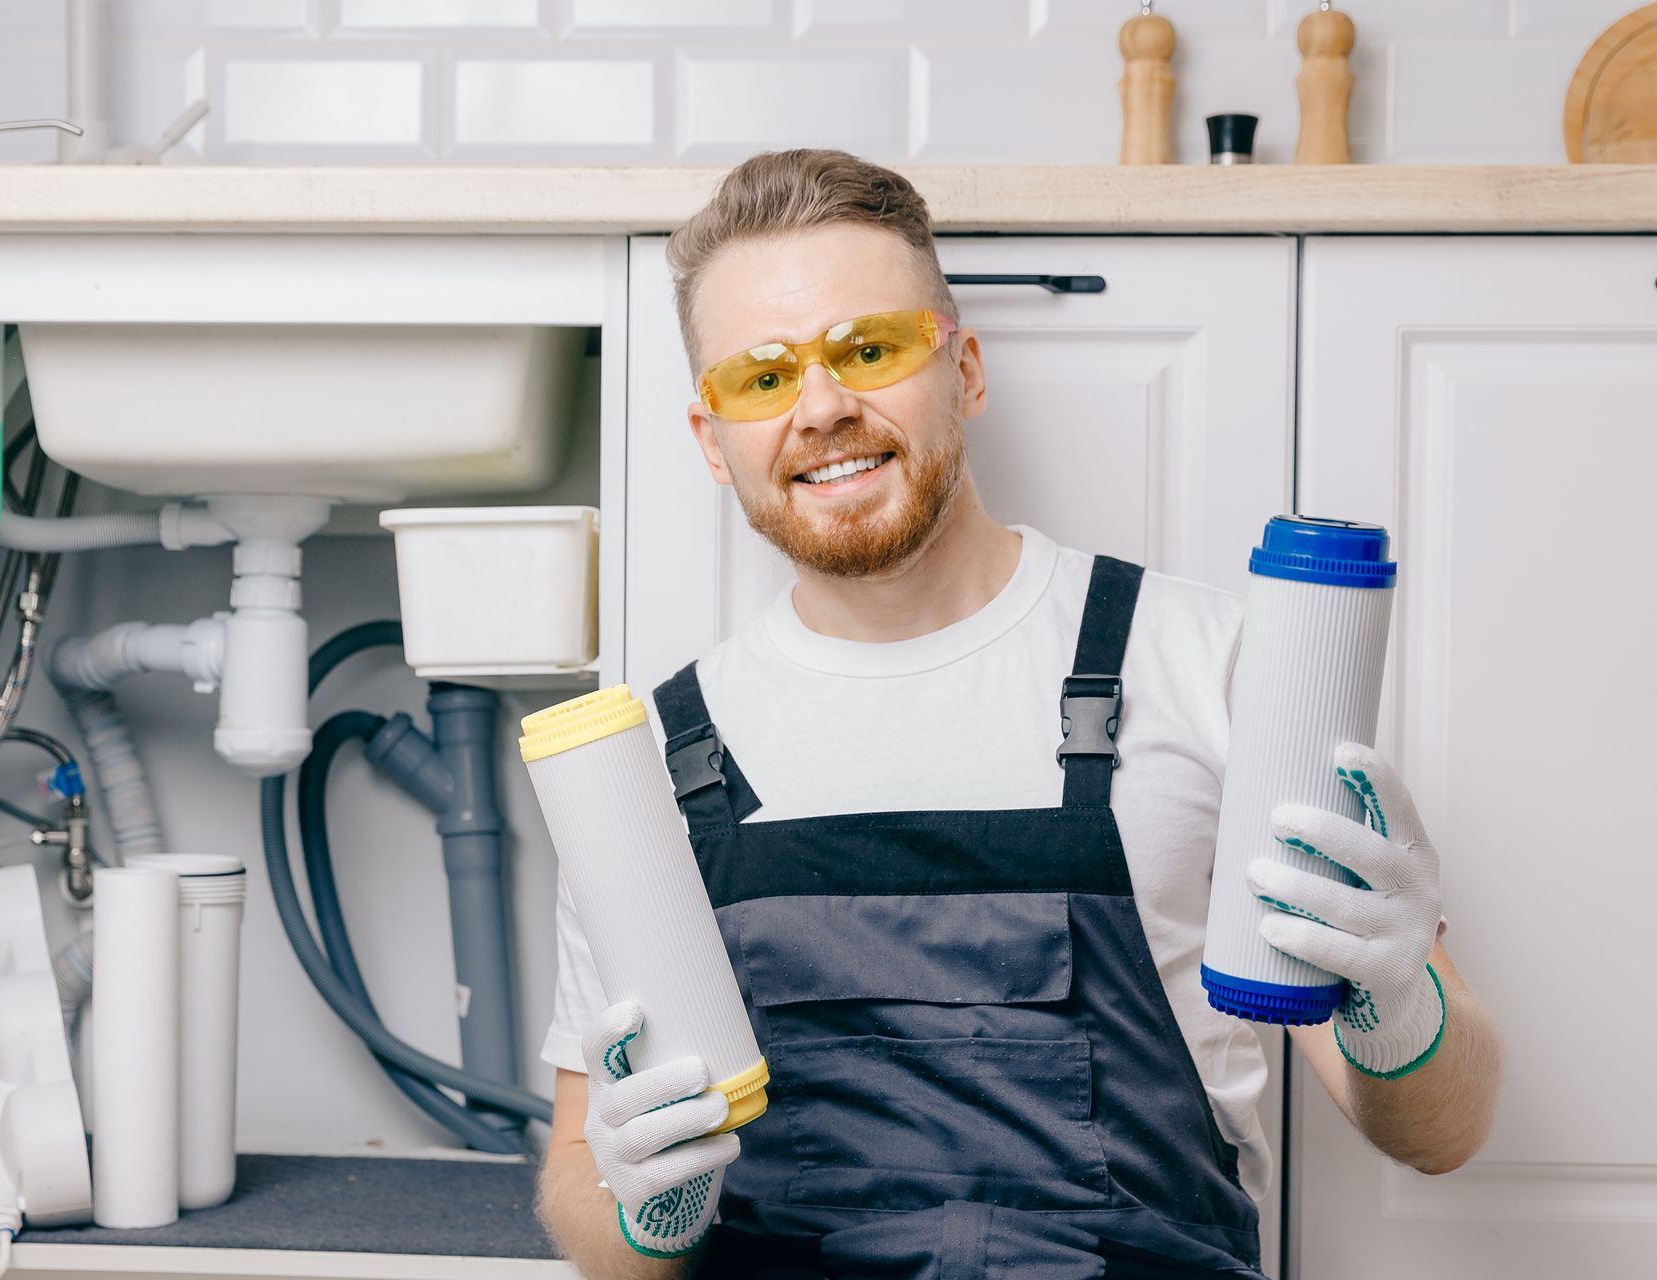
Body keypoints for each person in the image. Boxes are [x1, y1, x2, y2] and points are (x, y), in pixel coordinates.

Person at [534, 149, 1502, 1280]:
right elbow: (578, 1182)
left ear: (966, 371)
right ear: (713, 440)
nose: (823, 408)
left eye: (870, 350)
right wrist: (645, 1205)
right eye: (761, 379)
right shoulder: (641, 767)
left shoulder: (1212, 664)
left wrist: (1398, 996)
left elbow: (1442, 1130)